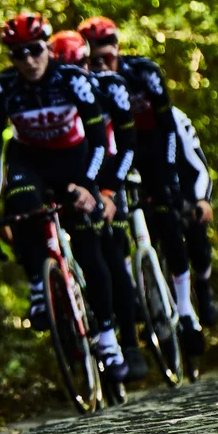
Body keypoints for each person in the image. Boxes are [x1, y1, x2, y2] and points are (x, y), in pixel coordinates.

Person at [0, 13, 128, 381]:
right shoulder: (2, 91)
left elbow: (99, 140)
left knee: (90, 248)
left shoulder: (73, 80)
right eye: (18, 54)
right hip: (28, 160)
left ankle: (108, 337)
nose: (28, 60)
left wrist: (89, 186)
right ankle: (37, 283)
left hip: (74, 160)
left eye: (34, 50)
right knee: (23, 210)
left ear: (47, 48)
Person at [78, 17, 205, 358]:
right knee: (111, 226)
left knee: (167, 217)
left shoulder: (144, 73)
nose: (100, 64)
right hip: (116, 150)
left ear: (117, 49)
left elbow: (167, 127)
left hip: (152, 147)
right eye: (92, 59)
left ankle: (186, 311)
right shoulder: (84, 82)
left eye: (105, 56)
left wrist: (166, 176)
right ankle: (133, 296)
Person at [49, 31, 148, 381]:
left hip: (108, 172)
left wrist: (108, 190)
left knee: (112, 250)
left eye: (77, 66)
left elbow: (127, 145)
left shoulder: (110, 87)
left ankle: (132, 345)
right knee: (88, 254)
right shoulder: (47, 92)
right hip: (73, 178)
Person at [173, 106, 218, 325]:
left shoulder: (176, 117)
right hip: (151, 188)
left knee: (195, 230)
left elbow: (200, 167)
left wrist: (201, 199)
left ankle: (203, 287)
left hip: (185, 185)